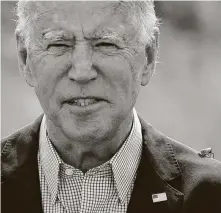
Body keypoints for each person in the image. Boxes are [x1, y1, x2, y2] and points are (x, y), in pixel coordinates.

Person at [1, 1, 221, 213]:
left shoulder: (211, 194)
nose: (82, 72)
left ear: (149, 55)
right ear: (24, 57)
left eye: (106, 44)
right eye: (58, 44)